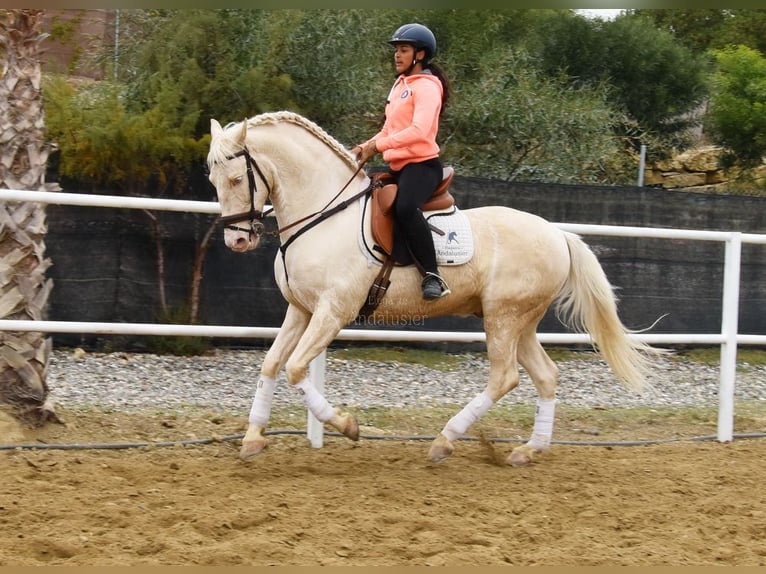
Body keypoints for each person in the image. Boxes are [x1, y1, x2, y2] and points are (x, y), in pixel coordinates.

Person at [352, 22, 452, 301]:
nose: (397, 55)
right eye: (396, 50)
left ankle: (432, 276)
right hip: (398, 166)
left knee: (406, 207)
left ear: (419, 55)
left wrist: (378, 145)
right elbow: (389, 129)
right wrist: (365, 147)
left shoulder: (428, 88)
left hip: (422, 166)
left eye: (403, 50)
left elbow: (419, 131)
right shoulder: (400, 85)